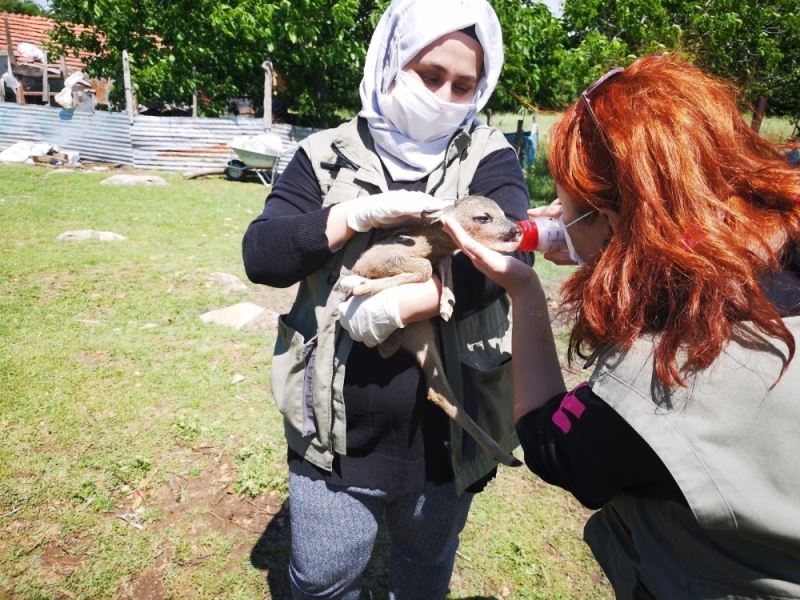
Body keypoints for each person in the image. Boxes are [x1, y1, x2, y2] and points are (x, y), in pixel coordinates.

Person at [443, 55, 800, 599]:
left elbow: (549, 443)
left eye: (567, 212)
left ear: (609, 221)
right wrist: (617, 252)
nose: (557, 223)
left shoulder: (659, 382)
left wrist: (524, 289)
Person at [241, 0, 532, 597]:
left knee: (425, 570)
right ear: (392, 60)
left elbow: (513, 252)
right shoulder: (323, 154)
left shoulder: (487, 155)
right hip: (336, 432)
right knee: (324, 577)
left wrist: (405, 305)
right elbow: (262, 257)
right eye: (429, 76)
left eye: (463, 85)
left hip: (446, 432)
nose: (444, 96)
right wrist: (347, 216)